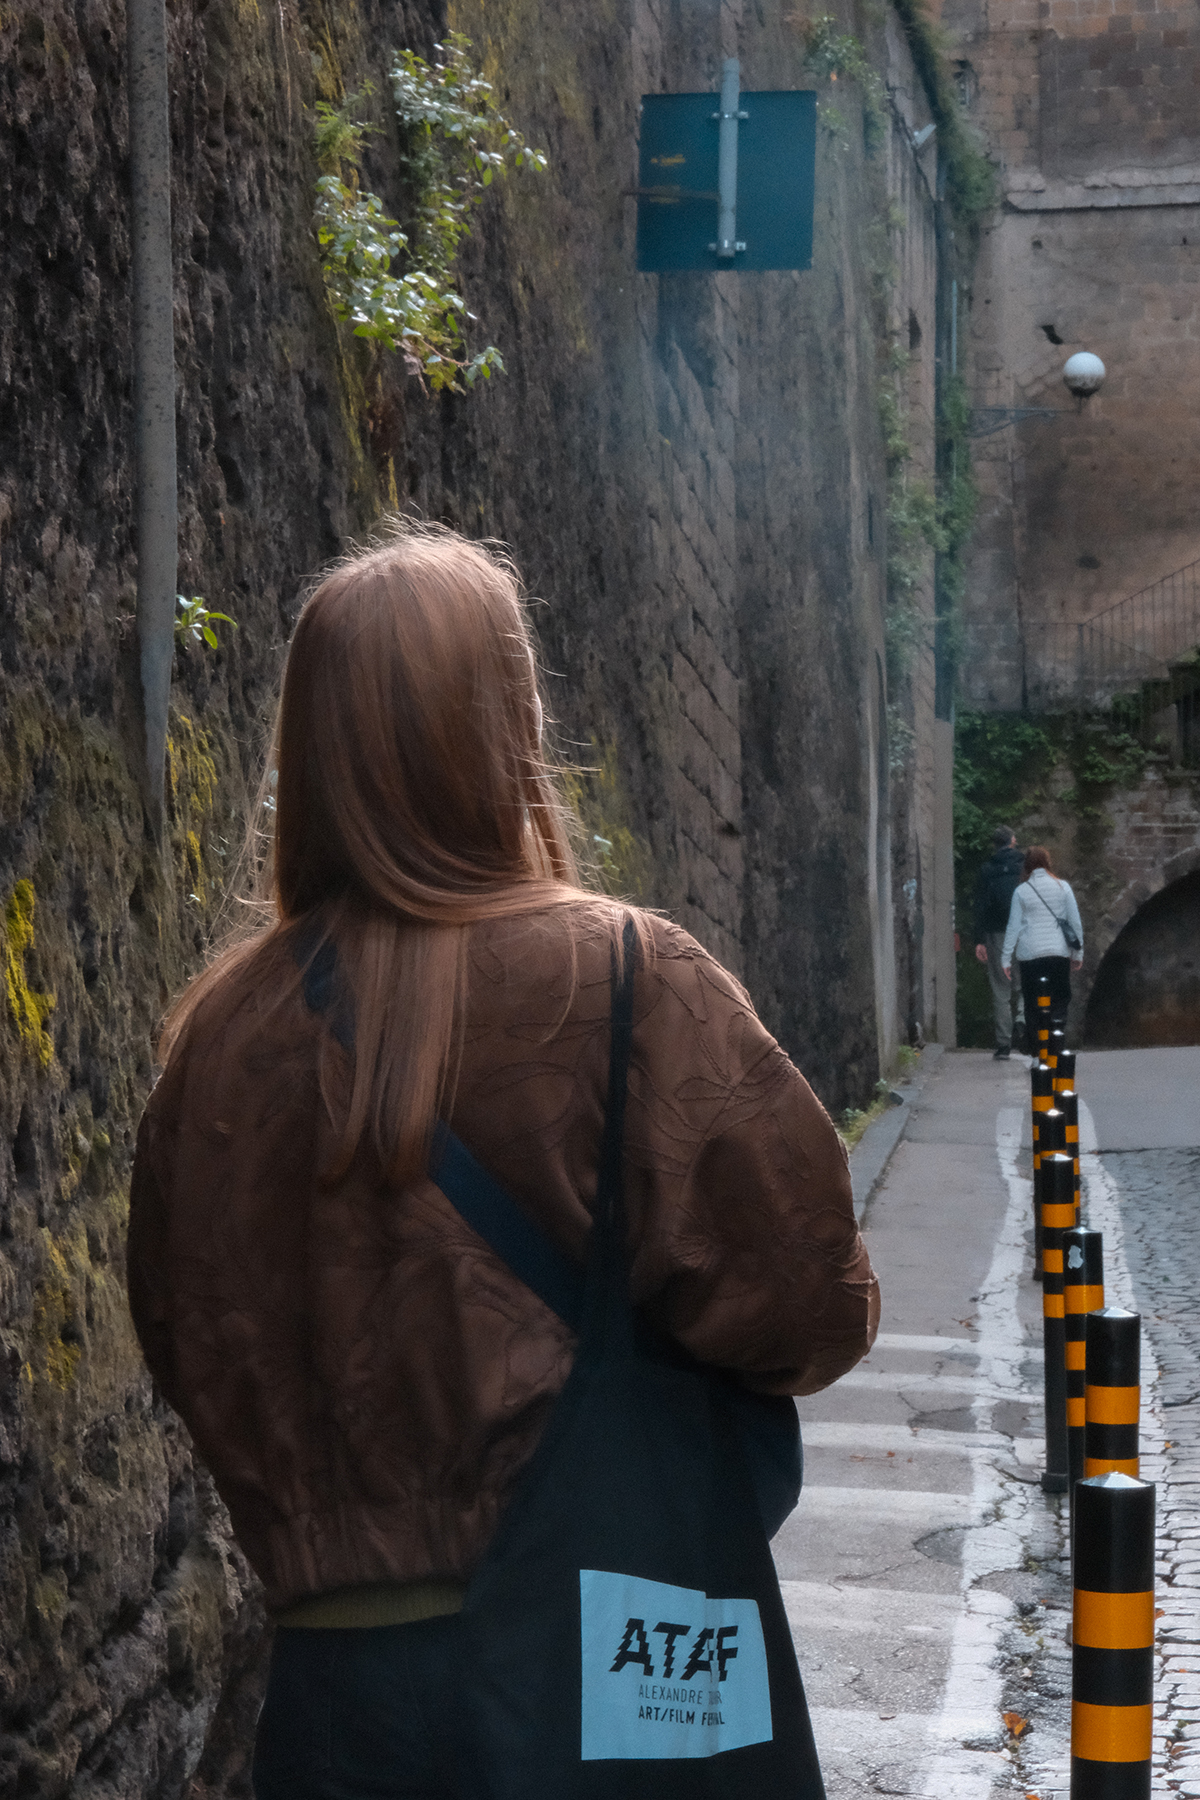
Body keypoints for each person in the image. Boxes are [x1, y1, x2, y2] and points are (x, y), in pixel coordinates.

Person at [126, 523, 879, 1799]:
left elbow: (185, 1331)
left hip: (335, 1704)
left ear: (309, 748)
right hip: (607, 1674)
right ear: (508, 729)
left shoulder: (215, 1046)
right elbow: (813, 1301)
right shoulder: (627, 979)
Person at [1001, 845, 1084, 1038]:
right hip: (1058, 953)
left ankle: (1037, 1046)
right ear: (1048, 863)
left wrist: (1005, 959)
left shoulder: (1021, 891)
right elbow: (1075, 923)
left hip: (1030, 956)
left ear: (1027, 866)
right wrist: (1078, 954)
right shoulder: (1063, 887)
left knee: (1032, 1002)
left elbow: (1013, 927)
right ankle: (1057, 1039)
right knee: (1060, 999)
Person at [973, 826, 1026, 1059]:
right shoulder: (1024, 867)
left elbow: (980, 905)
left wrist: (979, 940)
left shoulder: (987, 870)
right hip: (1023, 931)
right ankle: (1023, 1019)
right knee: (1025, 983)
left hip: (996, 933)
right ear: (1012, 841)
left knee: (1000, 988)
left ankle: (1004, 1044)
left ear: (995, 844)